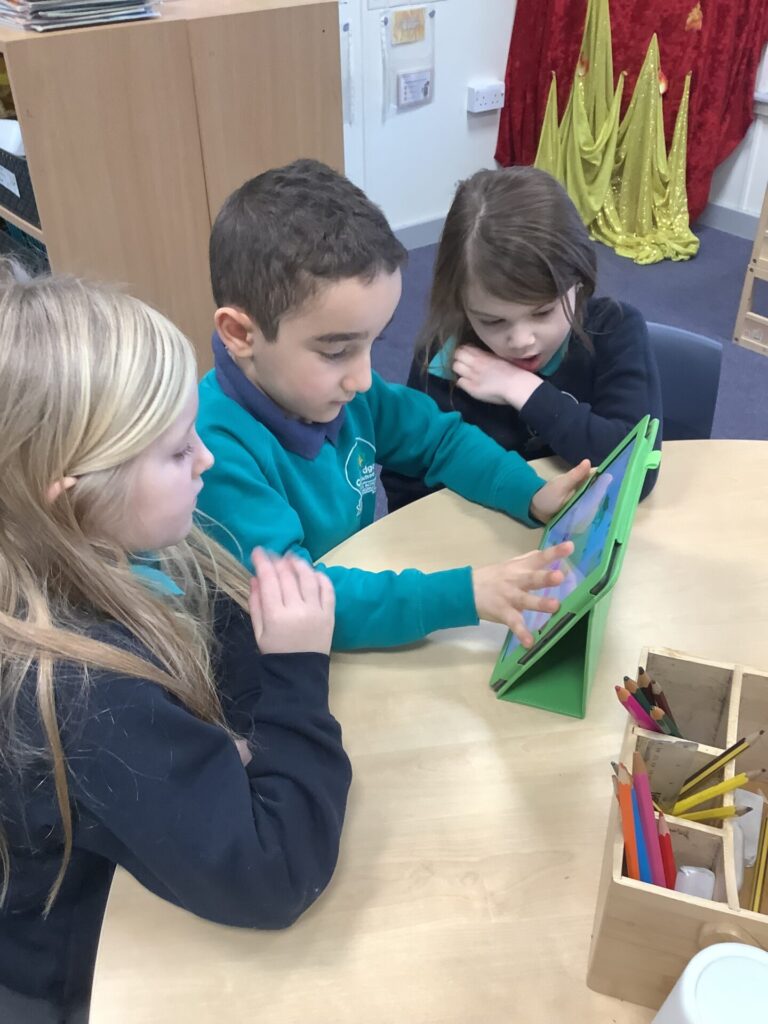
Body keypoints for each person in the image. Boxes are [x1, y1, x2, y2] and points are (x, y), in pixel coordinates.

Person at [0, 276, 351, 1024]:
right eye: (175, 450)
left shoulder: (115, 548)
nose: (207, 460)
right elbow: (276, 872)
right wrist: (297, 672)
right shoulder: (86, 695)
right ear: (74, 493)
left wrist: (237, 736)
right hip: (78, 975)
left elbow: (224, 638)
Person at [197, 159, 584, 652]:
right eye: (336, 351)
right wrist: (464, 594)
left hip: (349, 613)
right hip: (272, 657)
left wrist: (530, 493)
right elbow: (303, 600)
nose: (363, 378)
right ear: (240, 334)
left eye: (373, 343)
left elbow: (440, 439)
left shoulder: (342, 393)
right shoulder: (211, 454)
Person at [381, 165, 663, 513]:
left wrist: (522, 388)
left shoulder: (615, 329)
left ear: (579, 282)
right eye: (492, 321)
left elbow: (636, 473)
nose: (521, 340)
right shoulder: (445, 355)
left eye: (542, 313)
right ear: (461, 305)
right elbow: (407, 491)